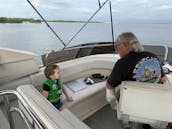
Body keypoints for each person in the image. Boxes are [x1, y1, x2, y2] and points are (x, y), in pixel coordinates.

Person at [106, 32, 168, 129]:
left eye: (117, 46)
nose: (116, 49)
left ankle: (127, 124)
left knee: (118, 92)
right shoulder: (153, 56)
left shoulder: (122, 63)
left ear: (126, 45)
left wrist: (111, 98)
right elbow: (164, 79)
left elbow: (110, 86)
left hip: (134, 106)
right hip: (155, 104)